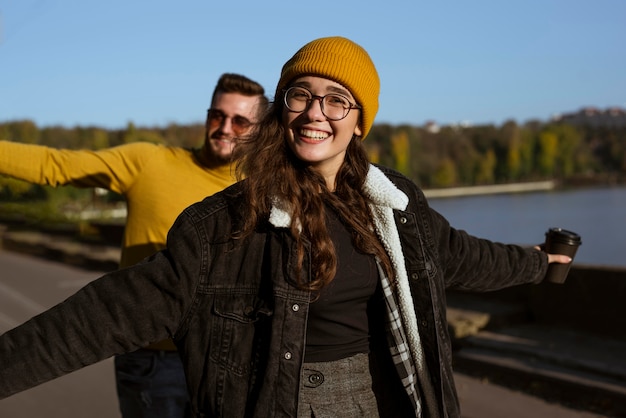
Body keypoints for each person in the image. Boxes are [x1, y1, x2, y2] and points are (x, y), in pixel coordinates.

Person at [0, 37, 572, 417]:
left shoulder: (395, 204)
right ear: (282, 109)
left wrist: (540, 264)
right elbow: (108, 312)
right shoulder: (226, 223)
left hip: (392, 399)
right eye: (301, 94)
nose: (315, 111)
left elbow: (458, 255)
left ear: (359, 122)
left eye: (336, 100)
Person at [0, 73, 268, 418]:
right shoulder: (148, 163)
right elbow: (57, 166)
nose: (225, 127)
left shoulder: (260, 190)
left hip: (226, 360)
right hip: (151, 360)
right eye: (217, 116)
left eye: (240, 121)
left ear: (258, 129)